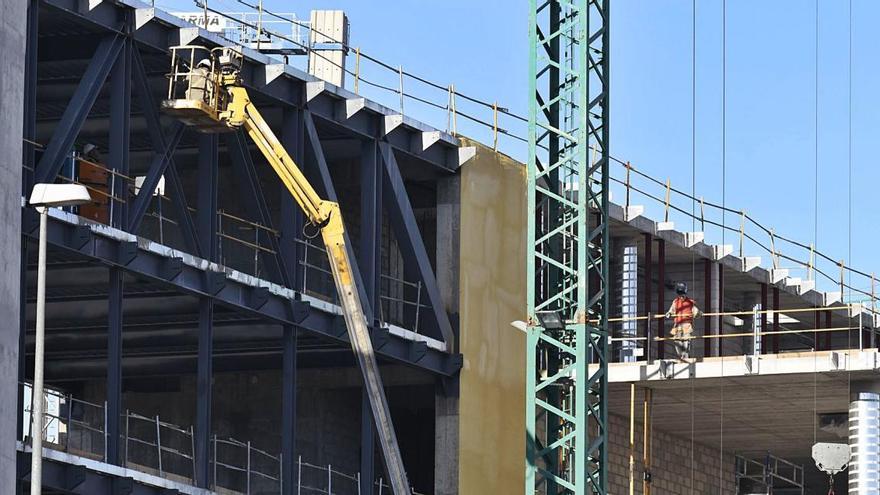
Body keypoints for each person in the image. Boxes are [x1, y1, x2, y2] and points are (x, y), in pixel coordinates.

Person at [665, 282, 701, 360]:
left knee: (686, 339)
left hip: (686, 324)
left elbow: (696, 312)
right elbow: (671, 310)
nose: (681, 296)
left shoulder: (690, 303)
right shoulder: (675, 302)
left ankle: (685, 355)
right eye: (680, 294)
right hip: (677, 324)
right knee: (677, 340)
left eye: (682, 295)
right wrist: (669, 313)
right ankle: (681, 355)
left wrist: (699, 314)